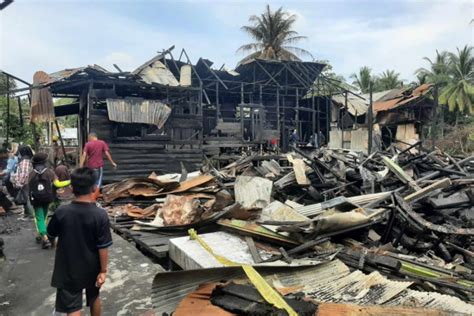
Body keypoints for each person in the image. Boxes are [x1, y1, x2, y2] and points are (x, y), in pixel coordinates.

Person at [47, 167, 112, 316]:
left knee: (72, 307)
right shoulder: (100, 215)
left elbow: (51, 233)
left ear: (71, 188)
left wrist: (53, 243)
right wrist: (103, 270)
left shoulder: (62, 212)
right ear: (94, 187)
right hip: (93, 267)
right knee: (94, 297)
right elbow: (103, 247)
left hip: (68, 268)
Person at [28, 152, 70, 249]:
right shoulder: (50, 172)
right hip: (47, 198)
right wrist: (70, 181)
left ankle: (45, 237)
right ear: (44, 162)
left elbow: (28, 186)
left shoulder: (31, 173)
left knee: (39, 218)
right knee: (44, 216)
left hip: (36, 199)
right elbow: (58, 184)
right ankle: (42, 235)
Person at [11, 145, 34, 219]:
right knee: (25, 198)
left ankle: (30, 215)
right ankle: (26, 214)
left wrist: (19, 183)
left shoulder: (25, 161)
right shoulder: (27, 159)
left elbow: (24, 173)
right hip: (27, 182)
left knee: (26, 198)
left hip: (25, 183)